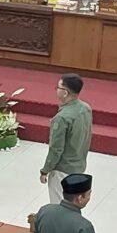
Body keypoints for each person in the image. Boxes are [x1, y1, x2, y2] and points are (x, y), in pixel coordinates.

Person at [40, 74, 92, 204]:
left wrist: (45, 170)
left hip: (62, 170)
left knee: (59, 206)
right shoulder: (86, 108)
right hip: (79, 166)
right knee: (73, 205)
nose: (56, 89)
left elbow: (56, 149)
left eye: (58, 87)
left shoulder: (62, 118)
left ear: (65, 92)